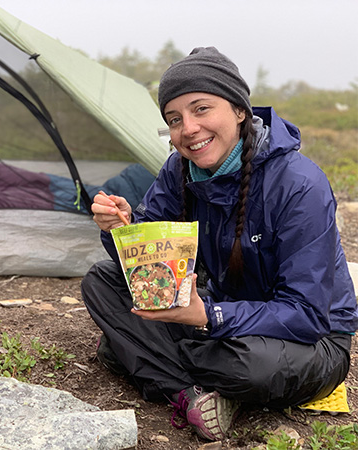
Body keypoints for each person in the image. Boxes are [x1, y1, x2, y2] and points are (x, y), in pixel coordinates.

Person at [81, 47, 358, 442]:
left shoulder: (299, 185)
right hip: (218, 309)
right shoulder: (179, 170)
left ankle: (144, 356)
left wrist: (208, 318)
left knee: (248, 367)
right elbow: (147, 265)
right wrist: (120, 230)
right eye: (174, 120)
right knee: (102, 280)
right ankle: (191, 393)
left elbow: (307, 315)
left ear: (240, 110)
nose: (188, 128)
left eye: (201, 109)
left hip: (310, 340)